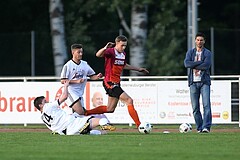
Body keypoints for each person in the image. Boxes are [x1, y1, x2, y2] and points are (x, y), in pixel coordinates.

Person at [85, 35, 149, 128]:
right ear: (117, 43)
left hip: (116, 82)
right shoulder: (111, 51)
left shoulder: (123, 54)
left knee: (110, 109)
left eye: (125, 46)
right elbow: (98, 55)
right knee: (129, 100)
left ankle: (86, 112)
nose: (123, 48)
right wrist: (105, 48)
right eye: (122, 45)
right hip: (109, 82)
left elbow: (124, 65)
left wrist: (138, 69)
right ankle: (139, 126)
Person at [33, 80, 114, 135]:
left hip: (67, 132)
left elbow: (53, 129)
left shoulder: (42, 117)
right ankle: (105, 124)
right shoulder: (47, 106)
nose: (47, 102)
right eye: (45, 101)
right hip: (72, 124)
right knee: (101, 120)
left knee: (92, 131)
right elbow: (64, 96)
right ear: (40, 105)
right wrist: (66, 86)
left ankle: (96, 132)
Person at [60, 44, 102, 115]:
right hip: (70, 92)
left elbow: (92, 76)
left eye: (81, 52)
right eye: (78, 52)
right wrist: (76, 81)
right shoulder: (68, 65)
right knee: (81, 112)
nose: (81, 54)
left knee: (79, 115)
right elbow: (63, 81)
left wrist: (97, 77)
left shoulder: (84, 64)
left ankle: (69, 124)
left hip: (80, 94)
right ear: (73, 53)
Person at [184, 32, 212, 133]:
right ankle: (199, 127)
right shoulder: (190, 52)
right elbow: (186, 64)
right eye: (198, 40)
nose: (199, 42)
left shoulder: (207, 53)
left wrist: (193, 65)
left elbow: (206, 66)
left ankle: (206, 127)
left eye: (201, 40)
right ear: (195, 41)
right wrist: (200, 62)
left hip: (204, 82)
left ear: (204, 41)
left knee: (206, 105)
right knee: (195, 107)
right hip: (193, 82)